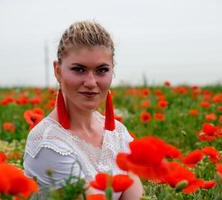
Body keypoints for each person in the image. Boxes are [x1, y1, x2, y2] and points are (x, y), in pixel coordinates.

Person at [24, 21, 143, 199]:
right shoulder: (48, 143)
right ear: (58, 71)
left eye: (101, 70)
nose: (90, 82)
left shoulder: (118, 134)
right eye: (79, 69)